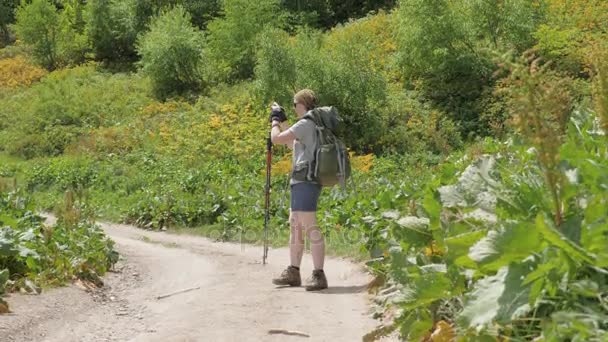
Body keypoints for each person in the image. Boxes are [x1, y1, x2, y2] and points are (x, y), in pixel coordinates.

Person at [268, 89, 328, 291]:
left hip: (306, 180)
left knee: (309, 225)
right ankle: (294, 271)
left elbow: (277, 139)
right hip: (302, 180)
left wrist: (275, 120)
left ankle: (319, 274)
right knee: (296, 226)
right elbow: (290, 144)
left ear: (302, 104)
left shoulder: (306, 123)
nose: (293, 108)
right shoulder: (311, 124)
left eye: (294, 104)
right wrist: (284, 121)